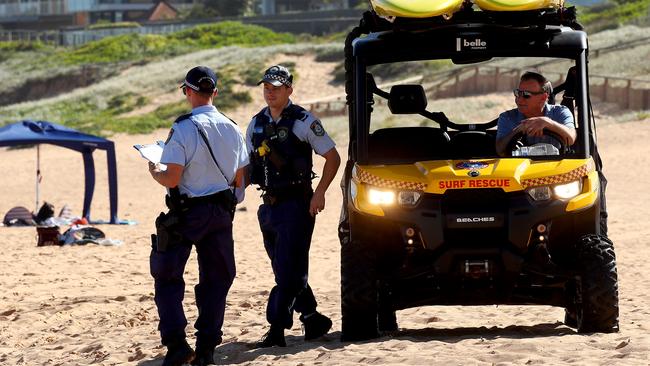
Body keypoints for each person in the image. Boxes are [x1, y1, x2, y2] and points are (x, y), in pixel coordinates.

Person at [148, 66, 248, 366]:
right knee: (217, 280)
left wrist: (154, 169)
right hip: (221, 212)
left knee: (167, 277)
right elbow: (239, 181)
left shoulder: (183, 128)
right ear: (215, 93)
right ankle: (206, 349)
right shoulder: (232, 127)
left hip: (188, 212)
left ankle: (177, 344)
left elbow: (173, 179)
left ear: (188, 91)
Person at [246, 65, 341, 348]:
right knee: (285, 268)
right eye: (266, 87)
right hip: (268, 207)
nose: (270, 92)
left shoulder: (303, 120)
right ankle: (312, 318)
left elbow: (333, 157)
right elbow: (246, 164)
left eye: (275, 87)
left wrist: (319, 193)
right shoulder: (256, 123)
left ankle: (276, 328)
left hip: (297, 205)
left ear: (289, 89)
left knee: (288, 269)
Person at [496, 71, 577, 156]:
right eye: (518, 93)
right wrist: (518, 130)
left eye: (526, 95)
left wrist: (548, 123)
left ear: (543, 97)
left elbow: (571, 138)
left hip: (555, 167)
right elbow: (500, 151)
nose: (519, 100)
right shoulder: (507, 117)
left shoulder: (560, 112)